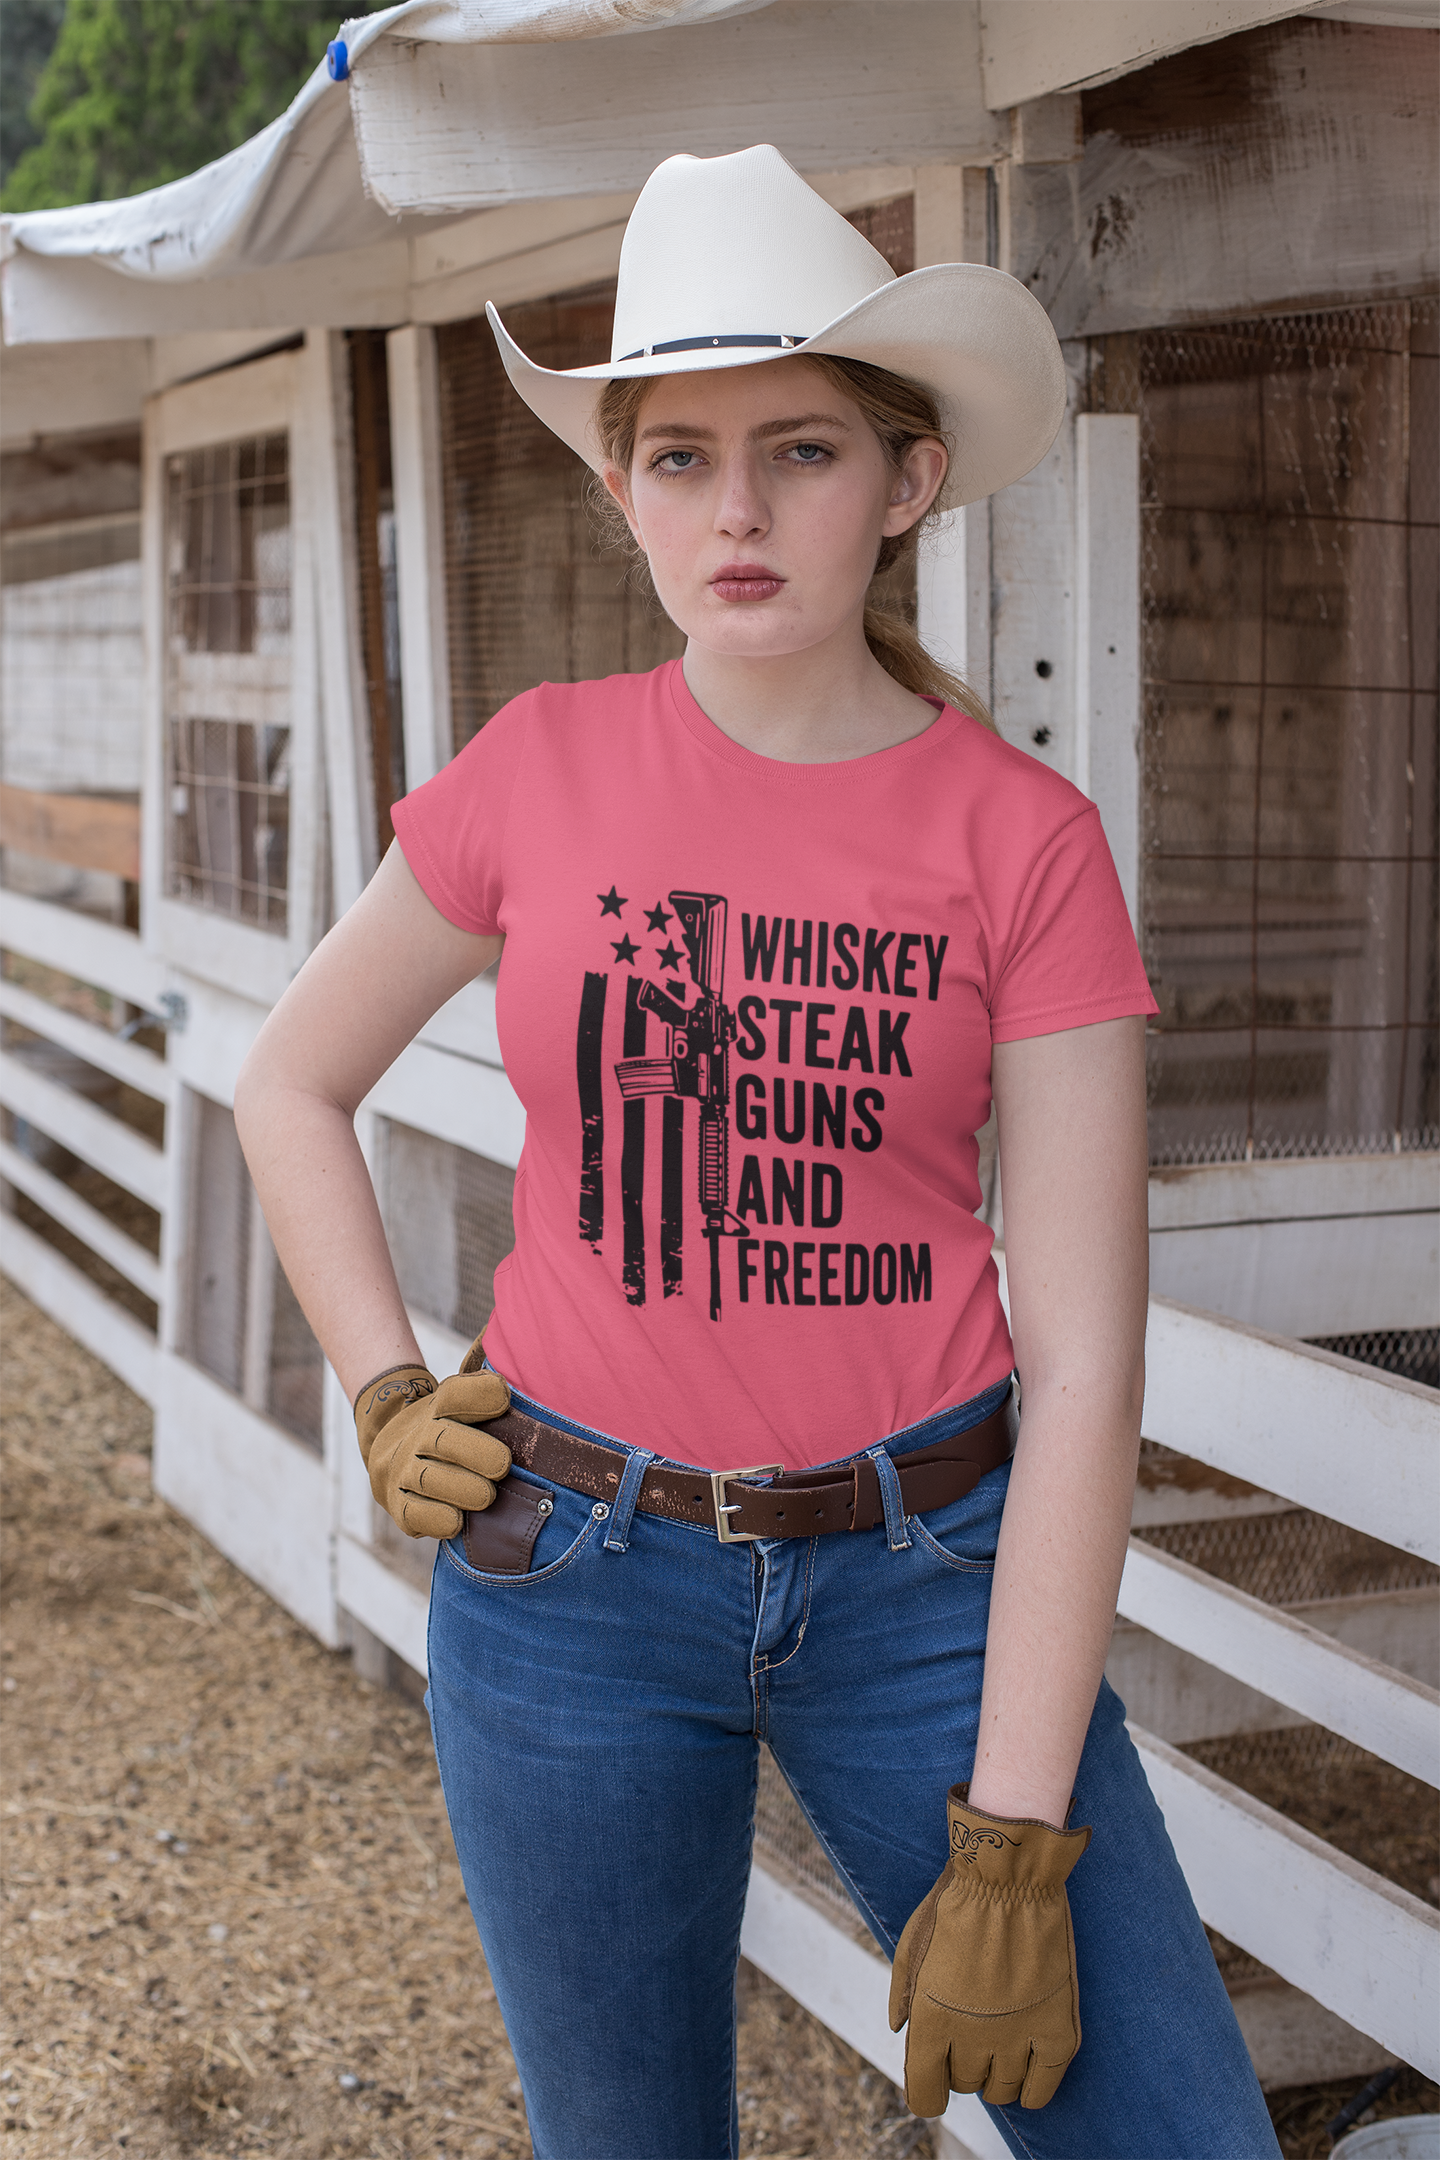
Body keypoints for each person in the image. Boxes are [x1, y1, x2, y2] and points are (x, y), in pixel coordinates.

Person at [235, 145, 1281, 2160]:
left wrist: (1016, 1841)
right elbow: (293, 1082)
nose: (736, 510)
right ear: (618, 484)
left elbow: (1082, 1364)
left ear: (903, 483)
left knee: (1176, 2138)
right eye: (678, 454)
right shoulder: (537, 767)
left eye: (800, 449)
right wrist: (380, 1390)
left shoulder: (1022, 845)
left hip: (930, 1583)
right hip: (570, 1578)